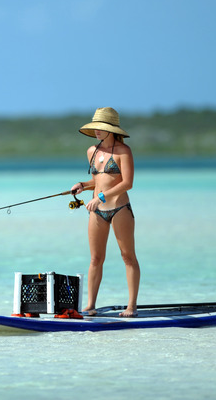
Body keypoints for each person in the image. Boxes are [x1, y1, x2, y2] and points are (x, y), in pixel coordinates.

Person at [70, 107, 139, 317]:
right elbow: (99, 180)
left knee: (127, 257)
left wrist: (101, 197)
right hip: (96, 211)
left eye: (101, 128)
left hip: (119, 209)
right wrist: (83, 184)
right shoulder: (92, 151)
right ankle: (90, 305)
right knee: (95, 259)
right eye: (95, 127)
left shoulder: (123, 151)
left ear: (111, 129)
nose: (97, 131)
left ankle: (131, 306)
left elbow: (127, 183)